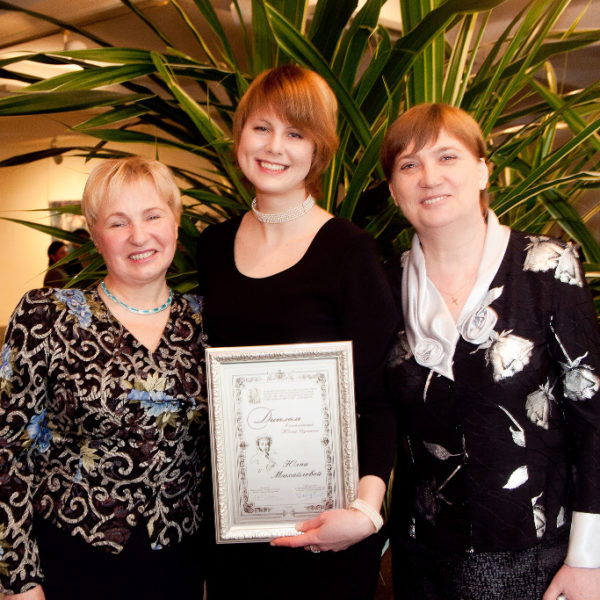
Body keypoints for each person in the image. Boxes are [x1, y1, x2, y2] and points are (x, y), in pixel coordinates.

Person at [381, 103, 600, 600]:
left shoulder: (547, 266)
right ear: (394, 191)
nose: (429, 177)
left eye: (447, 157)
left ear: (483, 171)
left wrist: (588, 560)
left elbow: (593, 419)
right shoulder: (384, 284)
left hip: (538, 560)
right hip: (423, 560)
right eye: (409, 165)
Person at [197, 64, 398, 600]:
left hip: (327, 526)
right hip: (235, 524)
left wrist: (365, 511)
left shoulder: (349, 251)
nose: (274, 147)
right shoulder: (212, 247)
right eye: (261, 127)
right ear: (240, 134)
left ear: (318, 150)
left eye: (295, 133)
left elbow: (378, 399)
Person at [0, 157, 208, 600]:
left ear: (176, 221)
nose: (139, 236)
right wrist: (18, 581)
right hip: (71, 559)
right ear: (95, 236)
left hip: (179, 564)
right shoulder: (47, 316)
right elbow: (8, 453)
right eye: (118, 222)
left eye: (152, 216)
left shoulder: (208, 323)